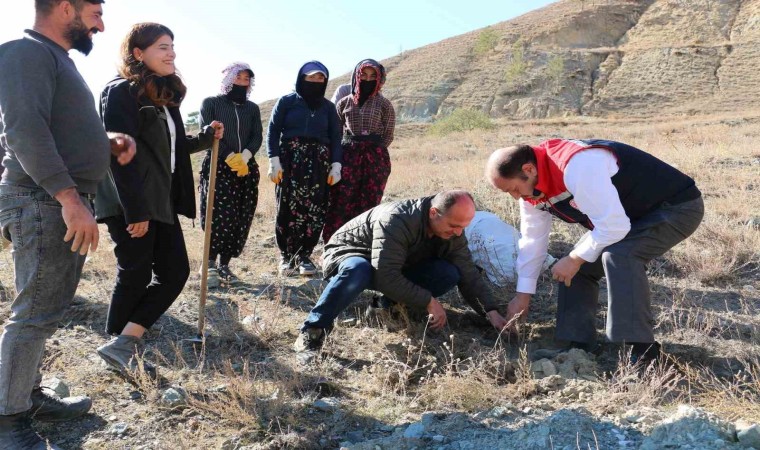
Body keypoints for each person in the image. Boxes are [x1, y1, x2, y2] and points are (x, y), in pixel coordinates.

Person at [0, 0, 136, 447]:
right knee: (34, 314)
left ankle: (27, 394)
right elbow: (24, 130)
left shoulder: (53, 57)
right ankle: (8, 422)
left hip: (53, 199)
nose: (101, 23)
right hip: (44, 199)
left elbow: (56, 127)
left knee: (44, 308)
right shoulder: (25, 51)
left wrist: (105, 142)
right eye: (95, 11)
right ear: (64, 7)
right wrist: (68, 197)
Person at [485, 139, 704, 365]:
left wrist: (575, 258)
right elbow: (532, 241)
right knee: (575, 268)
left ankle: (644, 353)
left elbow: (614, 227)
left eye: (513, 189)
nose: (516, 197)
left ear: (528, 169)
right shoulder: (532, 189)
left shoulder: (577, 166)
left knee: (619, 255)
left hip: (676, 208)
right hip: (627, 218)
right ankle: (577, 347)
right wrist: (523, 295)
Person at [93, 23, 223, 377]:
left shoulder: (163, 97)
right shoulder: (120, 92)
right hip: (130, 200)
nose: (172, 53)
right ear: (138, 53)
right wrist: (134, 209)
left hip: (158, 199)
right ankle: (118, 346)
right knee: (134, 273)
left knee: (175, 272)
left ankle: (121, 344)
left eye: (173, 47)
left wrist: (204, 137)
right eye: (162, 47)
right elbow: (119, 153)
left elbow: (169, 149)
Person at [294, 190, 510, 359]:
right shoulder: (396, 218)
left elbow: (467, 272)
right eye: (454, 226)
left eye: (463, 227)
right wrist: (428, 301)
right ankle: (313, 330)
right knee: (358, 270)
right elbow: (385, 274)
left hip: (395, 261)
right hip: (353, 254)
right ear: (434, 213)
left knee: (448, 272)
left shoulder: (452, 229)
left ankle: (386, 307)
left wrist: (489, 311)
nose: (458, 233)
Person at [266, 61, 342, 276]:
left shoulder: (328, 107)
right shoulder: (287, 102)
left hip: (319, 162)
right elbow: (272, 132)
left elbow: (336, 138)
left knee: (315, 208)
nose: (316, 81)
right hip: (290, 160)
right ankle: (286, 255)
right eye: (311, 77)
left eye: (320, 78)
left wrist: (336, 165)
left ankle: (304, 256)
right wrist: (274, 160)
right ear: (301, 78)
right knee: (287, 206)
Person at [198, 62, 262, 286]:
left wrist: (244, 157)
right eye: (238, 78)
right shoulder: (211, 103)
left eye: (246, 79)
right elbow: (207, 132)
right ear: (228, 79)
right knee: (218, 215)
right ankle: (209, 264)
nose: (242, 83)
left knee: (240, 215)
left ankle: (225, 265)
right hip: (219, 165)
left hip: (245, 168)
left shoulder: (252, 109)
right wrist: (228, 156)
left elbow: (257, 135)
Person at [322, 59, 395, 242]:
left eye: (372, 76)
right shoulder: (344, 103)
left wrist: (373, 152)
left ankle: (363, 244)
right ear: (356, 76)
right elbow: (336, 134)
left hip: (375, 159)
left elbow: (388, 135)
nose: (367, 79)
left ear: (379, 79)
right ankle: (335, 243)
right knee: (341, 200)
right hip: (347, 157)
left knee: (369, 202)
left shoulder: (384, 105)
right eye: (363, 75)